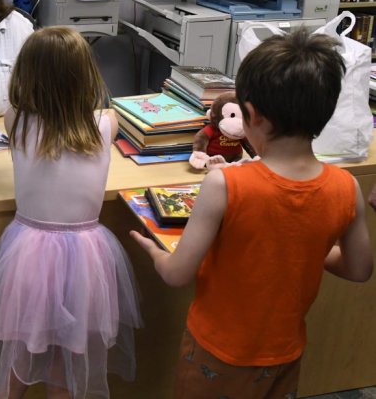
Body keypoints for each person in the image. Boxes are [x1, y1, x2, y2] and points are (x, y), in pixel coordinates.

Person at [130, 29, 373, 399]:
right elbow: (359, 269)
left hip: (216, 354)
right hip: (286, 353)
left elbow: (178, 274)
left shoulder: (225, 183)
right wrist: (305, 243)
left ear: (252, 115)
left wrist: (153, 251)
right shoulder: (346, 187)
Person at [0, 26, 142, 398]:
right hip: (86, 258)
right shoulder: (105, 124)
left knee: (18, 355)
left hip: (28, 253)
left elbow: (15, 107)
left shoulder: (18, 121)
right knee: (68, 363)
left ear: (26, 74)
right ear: (86, 75)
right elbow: (102, 112)